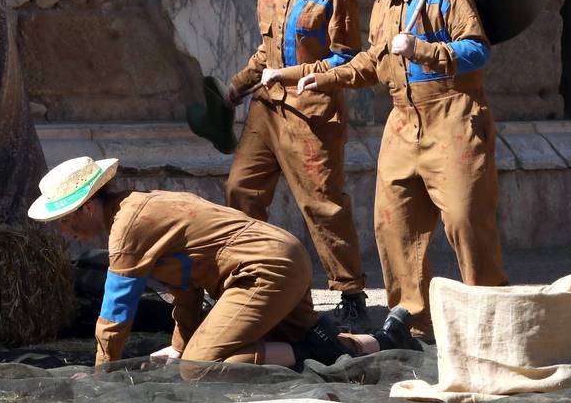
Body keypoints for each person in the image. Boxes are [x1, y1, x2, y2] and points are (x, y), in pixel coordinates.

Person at [264, 0, 508, 340]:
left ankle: (488, 318)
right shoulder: (382, 7)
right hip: (401, 124)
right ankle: (412, 322)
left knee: (464, 219)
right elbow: (373, 62)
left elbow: (477, 51)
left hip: (452, 119)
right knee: (393, 224)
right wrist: (324, 77)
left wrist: (425, 49)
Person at [29, 157, 419, 369]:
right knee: (309, 338)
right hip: (284, 255)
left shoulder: (127, 229)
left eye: (68, 218)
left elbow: (116, 311)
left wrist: (103, 370)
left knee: (200, 368)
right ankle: (386, 340)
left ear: (91, 204)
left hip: (262, 271)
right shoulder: (142, 207)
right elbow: (186, 286)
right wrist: (179, 345)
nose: (66, 230)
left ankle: (314, 353)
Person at [226, 0, 369, 330]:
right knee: (239, 191)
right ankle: (248, 274)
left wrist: (293, 76)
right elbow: (265, 52)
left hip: (312, 115)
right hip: (266, 110)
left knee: (323, 204)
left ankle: (350, 292)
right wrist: (235, 87)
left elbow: (346, 57)